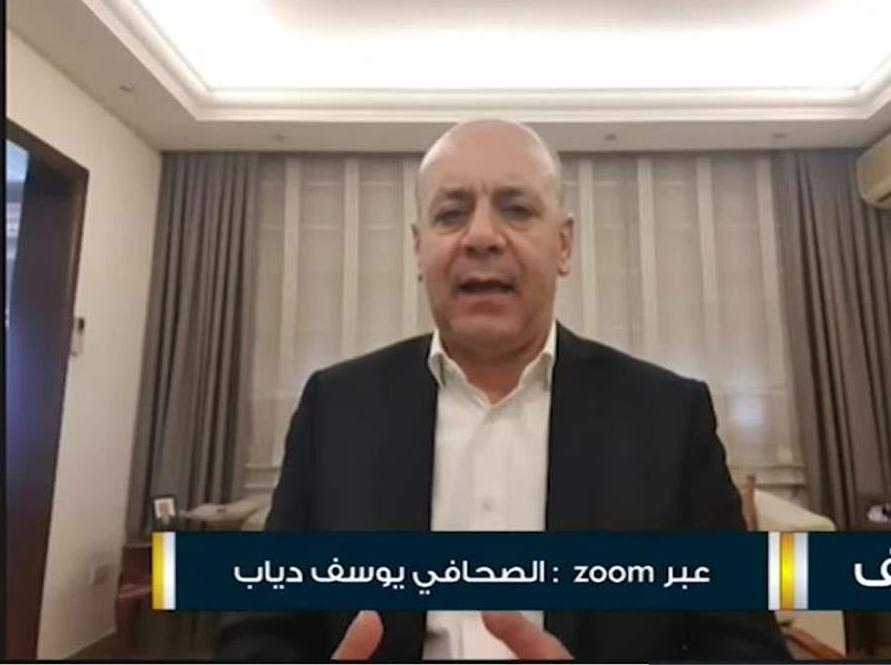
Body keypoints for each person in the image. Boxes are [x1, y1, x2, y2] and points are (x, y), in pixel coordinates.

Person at [216, 120, 790, 661]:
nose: (482, 236)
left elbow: (745, 645)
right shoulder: (336, 409)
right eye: (451, 214)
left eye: (516, 210)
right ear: (419, 248)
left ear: (563, 244)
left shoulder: (668, 417)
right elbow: (259, 630)